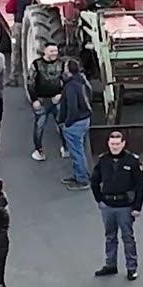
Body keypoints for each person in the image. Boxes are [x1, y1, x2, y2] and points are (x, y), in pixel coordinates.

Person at [90, 131, 143, 280]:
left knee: (128, 237)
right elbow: (94, 181)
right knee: (110, 236)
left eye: (117, 144)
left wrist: (137, 207)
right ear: (108, 144)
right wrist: (99, 200)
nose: (115, 147)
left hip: (125, 206)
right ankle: (110, 265)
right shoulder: (103, 160)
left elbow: (140, 186)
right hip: (107, 205)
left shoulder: (132, 161)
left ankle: (131, 268)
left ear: (123, 144)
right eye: (112, 144)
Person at [27, 41, 66, 161]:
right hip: (41, 101)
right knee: (39, 126)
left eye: (56, 51)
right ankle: (39, 150)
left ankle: (66, 147)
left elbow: (66, 81)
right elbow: (30, 82)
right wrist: (34, 100)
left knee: (62, 125)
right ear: (45, 51)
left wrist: (61, 95)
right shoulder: (36, 64)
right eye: (51, 51)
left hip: (57, 100)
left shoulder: (62, 64)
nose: (54, 53)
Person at [58, 59, 93, 191]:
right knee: (79, 150)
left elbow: (72, 107)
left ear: (68, 71)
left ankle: (82, 180)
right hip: (84, 119)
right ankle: (79, 175)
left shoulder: (71, 86)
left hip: (75, 123)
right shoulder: (83, 82)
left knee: (76, 152)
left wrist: (67, 123)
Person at [3, 0, 37, 86]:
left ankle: (14, 77)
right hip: (33, 27)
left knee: (15, 50)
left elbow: (8, 8)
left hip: (18, 25)